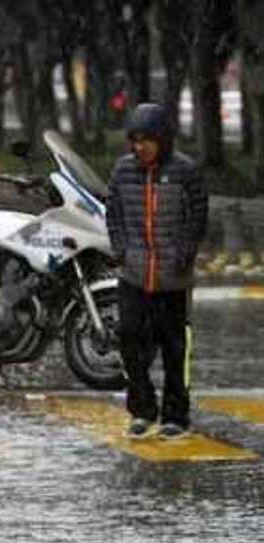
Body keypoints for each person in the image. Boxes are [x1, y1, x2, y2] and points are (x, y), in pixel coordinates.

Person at [106, 103, 208, 440]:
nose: (140, 148)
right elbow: (114, 213)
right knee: (131, 342)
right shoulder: (122, 171)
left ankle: (176, 415)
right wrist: (120, 249)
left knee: (175, 349)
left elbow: (197, 216)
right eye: (135, 140)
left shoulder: (185, 171)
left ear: (162, 140)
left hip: (172, 278)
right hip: (133, 274)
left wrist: (185, 253)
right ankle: (142, 409)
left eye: (146, 140)